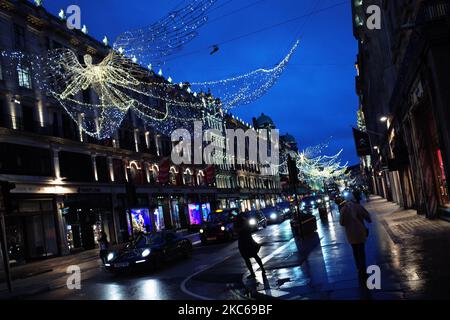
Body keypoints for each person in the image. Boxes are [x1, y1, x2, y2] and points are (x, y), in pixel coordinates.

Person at [339, 194, 372, 282]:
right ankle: (363, 269)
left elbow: (341, 223)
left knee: (355, 251)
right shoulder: (358, 207)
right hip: (360, 232)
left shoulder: (343, 210)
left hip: (350, 234)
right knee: (361, 251)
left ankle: (358, 268)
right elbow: (367, 217)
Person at [235, 213, 266, 279]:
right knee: (253, 256)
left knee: (249, 258)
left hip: (245, 242)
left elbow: (237, 231)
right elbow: (237, 231)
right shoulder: (244, 222)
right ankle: (261, 270)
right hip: (247, 241)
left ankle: (254, 272)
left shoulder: (239, 223)